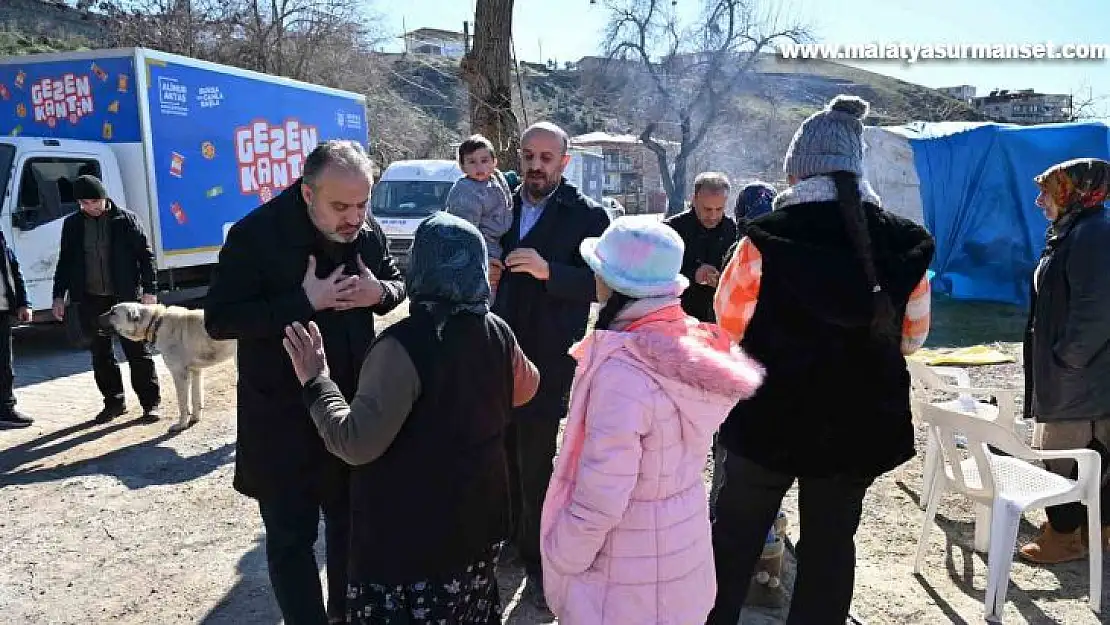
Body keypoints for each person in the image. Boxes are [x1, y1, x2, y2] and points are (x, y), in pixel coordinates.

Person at [707, 94, 936, 625]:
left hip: (769, 424)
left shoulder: (764, 239)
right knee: (831, 547)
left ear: (797, 169)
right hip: (856, 429)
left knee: (734, 540)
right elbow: (913, 339)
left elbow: (728, 325)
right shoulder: (905, 245)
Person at [282, 211, 540, 624]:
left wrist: (316, 381)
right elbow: (528, 387)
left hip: (410, 549)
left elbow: (356, 443)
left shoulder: (402, 347)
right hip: (477, 528)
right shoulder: (496, 331)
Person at [204, 140, 406, 625]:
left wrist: (380, 293)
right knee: (291, 540)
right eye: (341, 206)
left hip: (348, 409)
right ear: (306, 192)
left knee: (349, 527)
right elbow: (220, 320)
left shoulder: (367, 230)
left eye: (363, 204)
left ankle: (344, 615)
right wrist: (301, 300)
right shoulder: (256, 235)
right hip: (280, 416)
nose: (354, 218)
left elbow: (398, 283)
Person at [539, 218, 763, 624]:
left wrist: (561, 552)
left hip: (624, 572)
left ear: (613, 282)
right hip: (679, 549)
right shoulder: (686, 345)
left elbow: (602, 493)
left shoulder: (624, 373)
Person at [489, 121, 611, 609]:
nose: (534, 166)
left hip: (547, 357)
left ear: (564, 161)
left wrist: (549, 272)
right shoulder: (500, 201)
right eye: (528, 156)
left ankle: (539, 558)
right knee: (498, 448)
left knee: (536, 457)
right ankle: (506, 537)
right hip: (494, 349)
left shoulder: (588, 215)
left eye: (545, 157)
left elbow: (605, 287)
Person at [1019, 157, 1110, 564]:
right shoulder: (1074, 231)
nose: (1040, 200)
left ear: (1074, 191)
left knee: (1072, 455)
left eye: (1048, 190)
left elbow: (1097, 311)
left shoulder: (1094, 234)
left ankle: (1065, 536)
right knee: (1083, 453)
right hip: (1074, 376)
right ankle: (1095, 532)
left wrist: (1065, 361)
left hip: (1080, 379)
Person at [51, 174, 161, 423]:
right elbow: (65, 262)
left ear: (104, 197)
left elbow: (146, 257)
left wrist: (149, 289)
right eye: (84, 204)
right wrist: (59, 296)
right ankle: (113, 402)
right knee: (100, 354)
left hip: (124, 297)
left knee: (137, 351)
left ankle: (150, 403)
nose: (91, 208)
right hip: (90, 298)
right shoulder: (73, 225)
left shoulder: (126, 220)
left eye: (94, 202)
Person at [445, 134, 513, 300]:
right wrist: (481, 259)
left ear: (494, 161)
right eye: (472, 162)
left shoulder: (496, 178)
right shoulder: (466, 192)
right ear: (462, 166)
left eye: (484, 160)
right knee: (484, 292)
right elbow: (465, 233)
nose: (479, 167)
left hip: (499, 243)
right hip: (481, 247)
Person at [664, 172, 738, 323]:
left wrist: (724, 278)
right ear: (694, 199)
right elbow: (656, 275)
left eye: (719, 209)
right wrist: (694, 274)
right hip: (679, 316)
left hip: (719, 316)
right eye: (707, 209)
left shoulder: (732, 229)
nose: (713, 216)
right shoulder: (671, 230)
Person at [0, 227, 33, 429]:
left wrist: (24, 303)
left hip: (2, 311)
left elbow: (14, 269)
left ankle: (5, 409)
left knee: (4, 365)